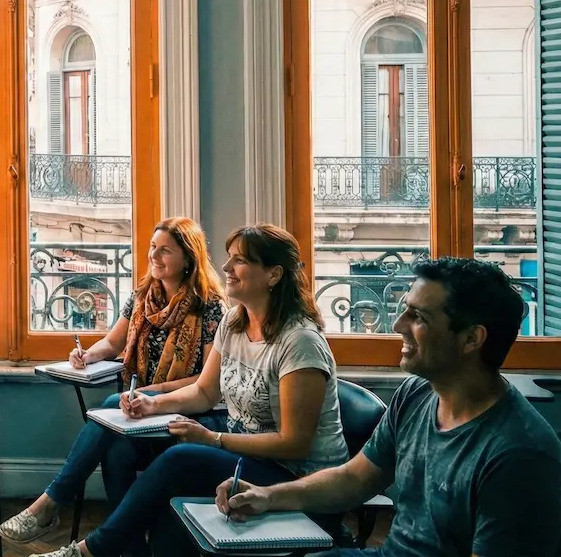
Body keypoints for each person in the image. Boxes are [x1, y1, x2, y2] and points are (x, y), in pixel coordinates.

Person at [37, 223, 349, 557]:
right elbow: (204, 392)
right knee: (145, 478)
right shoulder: (235, 322)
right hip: (251, 455)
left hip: (300, 478)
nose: (226, 267)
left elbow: (294, 443)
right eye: (229, 258)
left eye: (240, 260)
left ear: (273, 274)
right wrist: (153, 405)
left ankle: (89, 551)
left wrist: (212, 439)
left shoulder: (300, 342)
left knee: (180, 460)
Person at [215, 257, 561, 557]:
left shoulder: (520, 455)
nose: (398, 325)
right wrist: (267, 496)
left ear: (471, 339)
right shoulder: (416, 394)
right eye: (404, 310)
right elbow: (354, 478)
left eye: (419, 317)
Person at [0, 218, 227, 544]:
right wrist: (87, 355)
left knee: (109, 407)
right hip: (140, 412)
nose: (154, 256)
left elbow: (206, 380)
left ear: (189, 258)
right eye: (153, 247)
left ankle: (51, 502)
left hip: (189, 413)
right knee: (117, 450)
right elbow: (112, 343)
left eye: (165, 250)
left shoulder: (211, 307)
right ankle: (129, 547)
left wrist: (149, 394)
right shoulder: (143, 296)